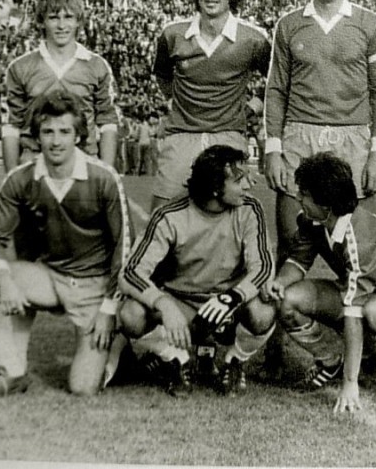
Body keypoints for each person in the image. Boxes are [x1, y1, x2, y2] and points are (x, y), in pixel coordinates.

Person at [262, 0, 376, 379]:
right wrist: (274, 148)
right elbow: (276, 90)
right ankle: (276, 349)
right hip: (299, 135)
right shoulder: (289, 25)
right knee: (291, 244)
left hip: (352, 140)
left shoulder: (370, 23)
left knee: (356, 249)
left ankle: (366, 348)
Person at [0, 90, 132, 400]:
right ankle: (12, 372)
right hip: (50, 276)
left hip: (93, 285)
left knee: (83, 387)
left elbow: (123, 249)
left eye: (64, 132)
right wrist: (6, 279)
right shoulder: (21, 178)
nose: (56, 141)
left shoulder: (103, 178)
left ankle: (118, 346)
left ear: (78, 135)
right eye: (48, 132)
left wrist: (109, 309)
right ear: (37, 136)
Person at [265, 153, 376, 410]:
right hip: (352, 288)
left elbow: (353, 312)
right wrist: (280, 281)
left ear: (326, 202)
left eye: (304, 194)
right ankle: (330, 359)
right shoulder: (312, 219)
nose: (298, 198)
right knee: (287, 299)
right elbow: (299, 260)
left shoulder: (362, 235)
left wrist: (350, 384)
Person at [118, 145, 276, 396]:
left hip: (229, 306)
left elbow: (263, 267)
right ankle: (174, 359)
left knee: (264, 310)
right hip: (183, 305)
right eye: (239, 180)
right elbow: (130, 273)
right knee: (131, 314)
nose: (250, 184)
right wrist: (164, 304)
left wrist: (233, 297)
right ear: (215, 188)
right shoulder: (169, 215)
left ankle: (235, 360)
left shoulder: (249, 208)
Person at [150, 0, 270, 212]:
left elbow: (277, 81)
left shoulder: (253, 39)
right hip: (181, 135)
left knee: (231, 219)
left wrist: (254, 106)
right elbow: (162, 74)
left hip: (229, 136)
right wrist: (175, 101)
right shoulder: (172, 34)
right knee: (162, 216)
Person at [1, 0, 119, 171]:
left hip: (84, 165)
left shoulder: (97, 66)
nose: (62, 25)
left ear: (79, 21)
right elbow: (11, 126)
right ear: (42, 21)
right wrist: (12, 178)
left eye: (68, 17)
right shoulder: (20, 67)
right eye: (54, 17)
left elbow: (108, 123)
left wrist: (106, 174)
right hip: (35, 166)